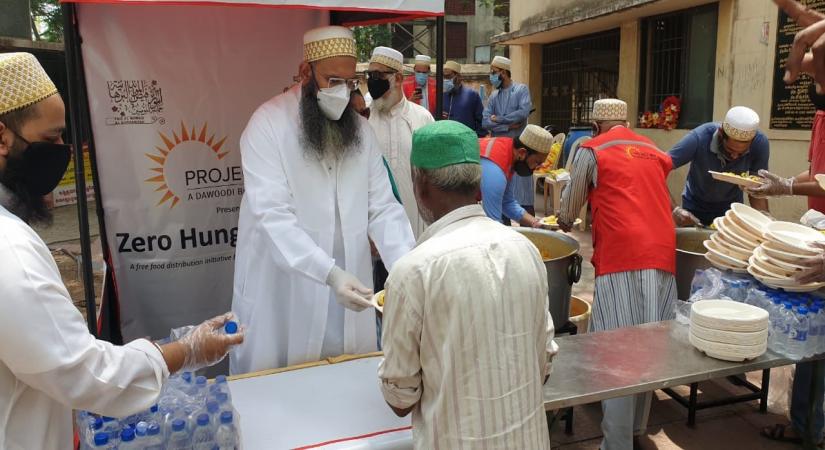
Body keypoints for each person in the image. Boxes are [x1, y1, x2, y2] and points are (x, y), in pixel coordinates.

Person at [0, 52, 244, 449]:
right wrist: (187, 351)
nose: (63, 150)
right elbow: (85, 373)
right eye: (51, 138)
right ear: (2, 137)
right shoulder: (9, 249)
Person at [230, 26, 415, 374]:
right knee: (282, 390)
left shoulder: (360, 131)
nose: (343, 92)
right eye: (333, 81)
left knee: (348, 383)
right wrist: (329, 274)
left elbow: (384, 208)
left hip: (351, 293)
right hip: (287, 293)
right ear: (305, 72)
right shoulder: (267, 125)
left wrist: (409, 271)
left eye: (350, 82)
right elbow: (272, 215)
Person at [378, 120, 557, 449]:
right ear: (478, 190)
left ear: (420, 188)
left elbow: (400, 400)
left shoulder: (411, 273)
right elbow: (543, 365)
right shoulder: (527, 251)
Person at [558, 99, 676, 450]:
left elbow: (571, 205)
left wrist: (564, 220)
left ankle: (617, 444)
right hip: (663, 253)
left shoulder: (592, 150)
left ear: (595, 126)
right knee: (648, 347)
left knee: (618, 352)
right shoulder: (652, 149)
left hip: (623, 254)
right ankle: (636, 429)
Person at [367, 46, 434, 238]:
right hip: (372, 228)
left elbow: (432, 176)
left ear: (397, 78)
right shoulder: (363, 119)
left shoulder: (422, 118)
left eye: (379, 75)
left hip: (415, 224)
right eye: (370, 75)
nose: (372, 81)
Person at [668, 106, 770, 226]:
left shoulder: (760, 143)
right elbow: (656, 168)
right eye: (730, 150)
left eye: (741, 153)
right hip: (694, 206)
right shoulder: (699, 137)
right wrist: (675, 209)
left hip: (731, 209)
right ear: (721, 134)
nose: (735, 157)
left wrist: (765, 222)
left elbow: (756, 189)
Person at [482, 55, 535, 221]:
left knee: (523, 197)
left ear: (503, 73)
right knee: (502, 199)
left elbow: (523, 113)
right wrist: (507, 126)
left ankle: (531, 228)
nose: (491, 76)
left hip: (519, 155)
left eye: (493, 72)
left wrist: (498, 119)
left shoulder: (521, 90)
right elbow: (485, 121)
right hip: (499, 156)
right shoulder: (493, 96)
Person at [479, 124, 553, 228]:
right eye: (537, 162)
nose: (538, 168)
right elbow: (493, 223)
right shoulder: (496, 170)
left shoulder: (509, 152)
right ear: (522, 153)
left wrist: (535, 223)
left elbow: (507, 202)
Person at [442, 60, 484, 135]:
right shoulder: (442, 96)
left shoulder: (472, 95)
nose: (445, 80)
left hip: (466, 139)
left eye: (448, 76)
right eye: (444, 77)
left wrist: (477, 137)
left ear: (458, 76)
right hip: (446, 138)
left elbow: (481, 120)